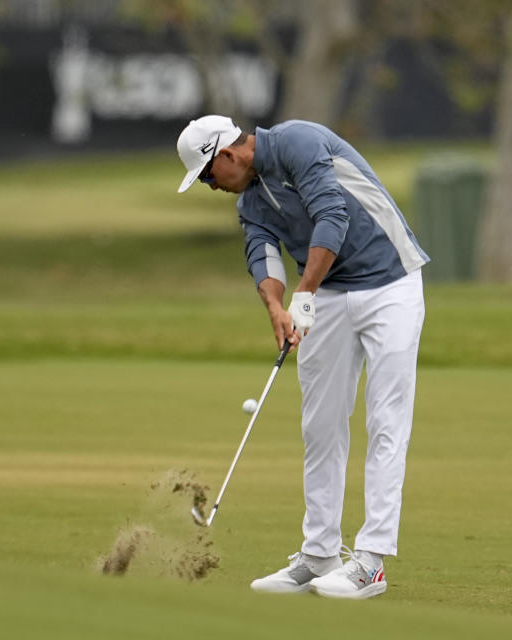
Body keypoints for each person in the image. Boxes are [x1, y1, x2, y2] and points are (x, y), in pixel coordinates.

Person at [175, 115, 429, 600]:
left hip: (391, 281)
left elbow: (334, 215)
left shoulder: (298, 141)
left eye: (208, 176)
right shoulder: (250, 201)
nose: (211, 187)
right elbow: (262, 253)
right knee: (321, 424)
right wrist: (276, 306)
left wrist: (304, 293)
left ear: (226, 155)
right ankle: (319, 555)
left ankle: (370, 561)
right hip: (330, 293)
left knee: (386, 420)